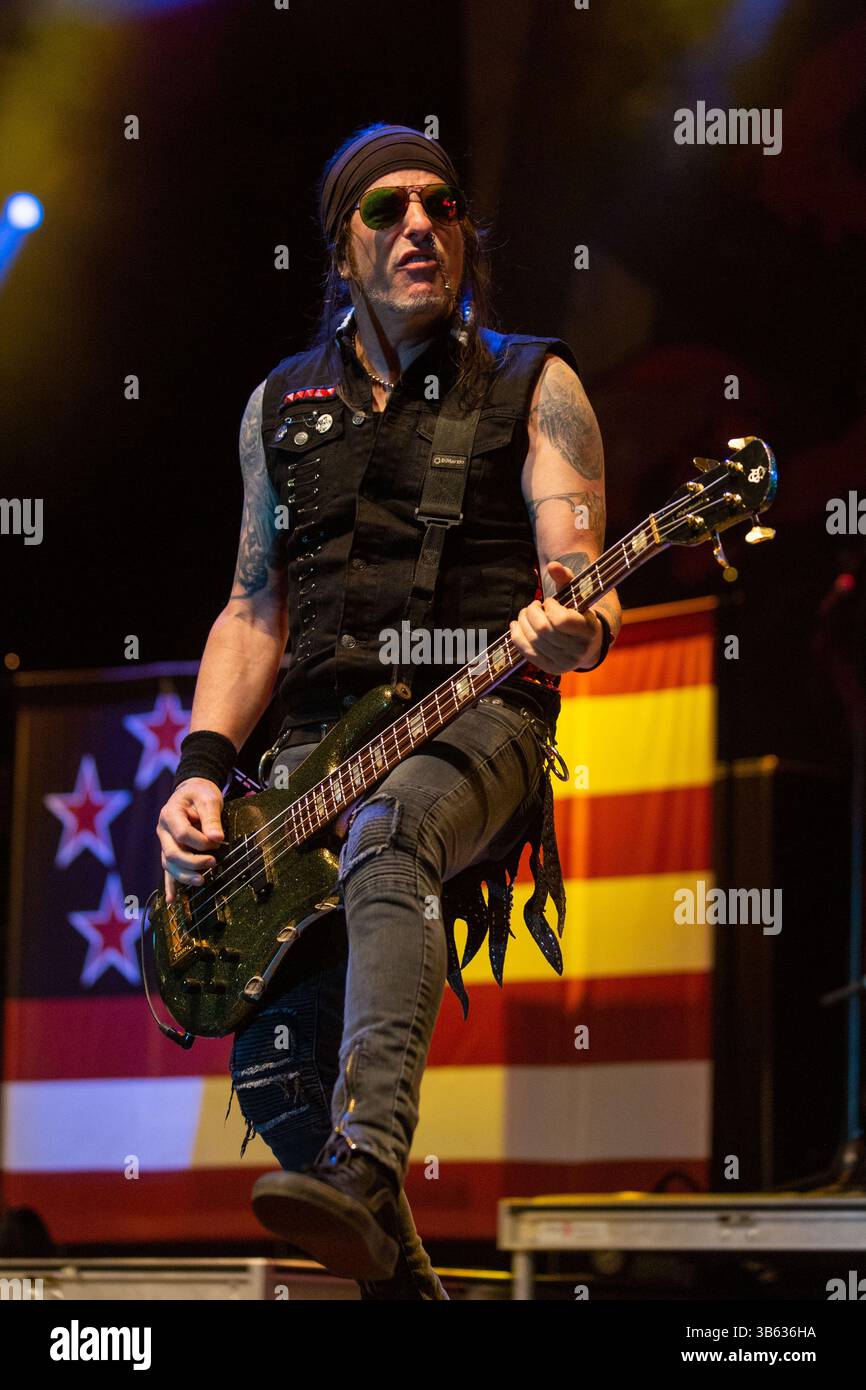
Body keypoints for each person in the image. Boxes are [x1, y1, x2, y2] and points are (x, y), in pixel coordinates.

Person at [156, 123, 621, 1300]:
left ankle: (371, 1157)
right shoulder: (280, 406)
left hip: (478, 724)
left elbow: (579, 581)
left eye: (441, 204)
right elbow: (250, 612)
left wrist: (574, 627)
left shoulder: (533, 383)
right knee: (270, 1069)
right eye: (386, 210)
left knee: (393, 826)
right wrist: (203, 766)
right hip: (311, 761)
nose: (420, 225)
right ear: (340, 247)